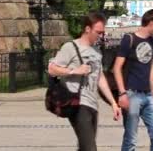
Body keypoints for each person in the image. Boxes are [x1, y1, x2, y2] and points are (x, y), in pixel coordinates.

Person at [49, 12, 122, 151]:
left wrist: (113, 103)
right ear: (87, 29)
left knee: (85, 146)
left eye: (102, 33)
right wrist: (73, 71)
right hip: (77, 105)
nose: (101, 36)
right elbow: (52, 69)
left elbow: (100, 78)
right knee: (90, 148)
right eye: (98, 32)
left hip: (92, 104)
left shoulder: (96, 51)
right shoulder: (71, 47)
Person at [114, 9, 153, 151]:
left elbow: (150, 67)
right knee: (131, 139)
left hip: (148, 95)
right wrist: (122, 93)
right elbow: (117, 68)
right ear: (152, 23)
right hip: (132, 94)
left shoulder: (151, 40)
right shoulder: (129, 39)